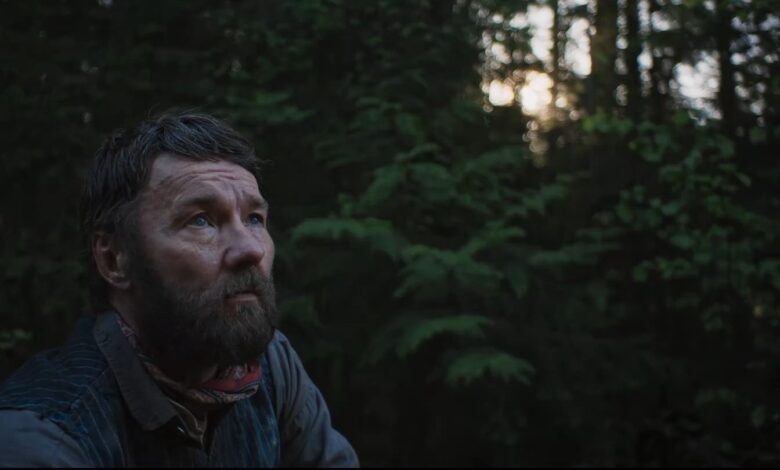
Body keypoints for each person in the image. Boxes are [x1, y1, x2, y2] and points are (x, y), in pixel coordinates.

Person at [0, 111, 359, 467]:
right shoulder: (45, 442)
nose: (252, 249)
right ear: (113, 260)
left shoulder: (271, 366)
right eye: (200, 220)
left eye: (254, 219)